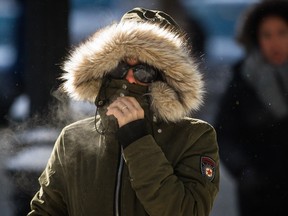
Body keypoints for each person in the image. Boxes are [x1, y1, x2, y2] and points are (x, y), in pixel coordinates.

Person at [28, 7, 220, 216]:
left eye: (143, 71)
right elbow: (46, 211)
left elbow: (187, 212)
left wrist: (137, 139)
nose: (128, 79)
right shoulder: (73, 139)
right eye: (120, 67)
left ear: (165, 79)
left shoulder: (194, 136)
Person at [214, 1, 288, 215]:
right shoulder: (243, 80)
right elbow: (224, 134)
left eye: (282, 32)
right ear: (256, 38)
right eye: (267, 35)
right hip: (260, 197)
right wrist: (244, 171)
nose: (275, 42)